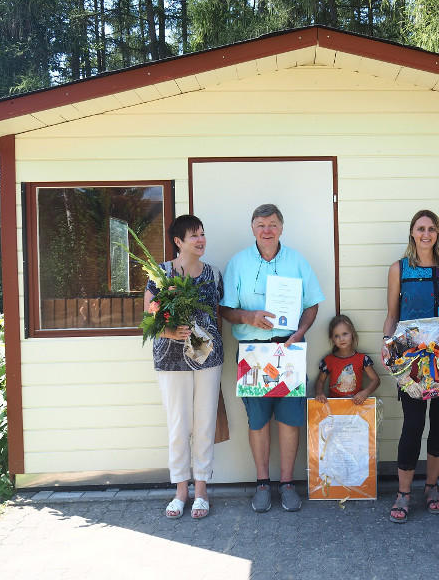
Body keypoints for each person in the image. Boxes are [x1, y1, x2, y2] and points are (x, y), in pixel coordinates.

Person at [220, 204, 325, 513]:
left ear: (282, 227)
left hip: (289, 350)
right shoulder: (237, 263)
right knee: (259, 420)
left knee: (291, 420)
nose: (267, 229)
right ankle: (263, 484)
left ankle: (288, 484)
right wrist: (248, 316)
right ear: (253, 228)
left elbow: (313, 303)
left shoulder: (297, 261)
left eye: (273, 224)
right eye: (261, 224)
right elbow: (225, 309)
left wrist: (300, 331)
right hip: (252, 352)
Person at [382, 210, 439, 523]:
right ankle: (403, 493)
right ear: (412, 233)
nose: (426, 234)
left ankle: (432, 486)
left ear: (438, 233)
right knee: (412, 425)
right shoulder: (399, 269)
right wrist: (387, 345)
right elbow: (393, 316)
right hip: (411, 358)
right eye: (420, 228)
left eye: (432, 229)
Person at [144, 215, 225, 520]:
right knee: (179, 425)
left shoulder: (214, 274)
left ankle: (201, 491)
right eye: (194, 236)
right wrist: (170, 332)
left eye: (203, 234)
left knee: (204, 424)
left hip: (207, 358)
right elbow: (149, 319)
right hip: (170, 359)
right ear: (178, 242)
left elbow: (218, 314)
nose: (200, 240)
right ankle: (181, 491)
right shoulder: (161, 274)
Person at [314, 314, 381, 404]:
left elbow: (376, 380)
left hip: (356, 405)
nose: (341, 339)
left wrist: (365, 393)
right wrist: (319, 393)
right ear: (332, 339)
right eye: (336, 336)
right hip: (334, 406)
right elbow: (320, 380)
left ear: (352, 333)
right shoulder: (328, 361)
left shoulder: (362, 359)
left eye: (345, 334)